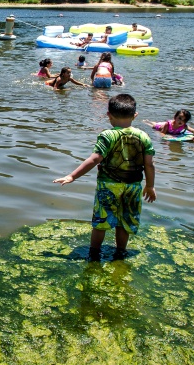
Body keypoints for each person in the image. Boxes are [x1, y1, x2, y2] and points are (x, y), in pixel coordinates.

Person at [54, 93, 156, 259]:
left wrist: (72, 176)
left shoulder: (107, 135)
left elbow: (95, 159)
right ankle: (120, 252)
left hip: (108, 185)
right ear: (135, 115)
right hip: (133, 186)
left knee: (101, 222)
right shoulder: (143, 136)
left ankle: (94, 253)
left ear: (108, 114)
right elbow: (149, 164)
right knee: (124, 222)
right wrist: (150, 186)